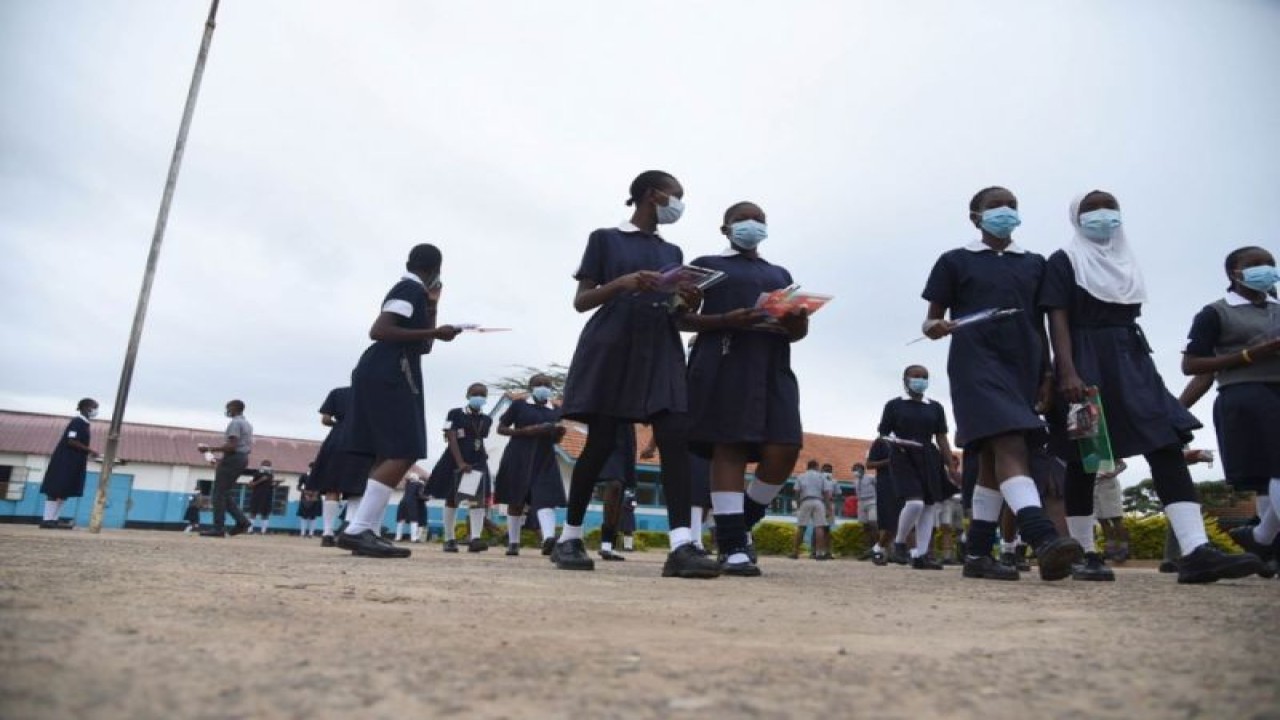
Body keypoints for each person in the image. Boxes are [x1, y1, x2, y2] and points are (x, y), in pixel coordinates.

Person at [1042, 191, 1261, 583]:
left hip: (1132, 360)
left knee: (1165, 443)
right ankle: (1084, 553)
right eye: (1091, 210)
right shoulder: (1064, 260)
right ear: (1076, 218)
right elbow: (1057, 319)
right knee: (1086, 457)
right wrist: (1067, 373)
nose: (1102, 215)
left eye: (1109, 208)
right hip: (1085, 358)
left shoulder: (1126, 260)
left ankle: (1195, 551)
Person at [553, 170, 720, 578]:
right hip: (613, 345)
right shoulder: (605, 239)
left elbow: (678, 316)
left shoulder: (672, 250)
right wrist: (623, 282)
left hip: (660, 348)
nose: (679, 204)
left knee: (674, 439)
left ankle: (681, 546)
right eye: (675, 195)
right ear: (652, 195)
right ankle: (569, 538)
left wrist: (690, 302)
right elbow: (582, 301)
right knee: (600, 443)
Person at [922, 186, 1082, 581]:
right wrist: (935, 327)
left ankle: (977, 553)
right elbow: (930, 320)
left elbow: (1041, 323)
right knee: (1010, 442)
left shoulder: (1035, 263)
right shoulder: (954, 260)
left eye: (1012, 205)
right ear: (975, 217)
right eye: (996, 206)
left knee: (994, 459)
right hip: (975, 363)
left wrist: (1048, 374)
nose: (1005, 210)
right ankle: (1043, 537)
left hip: (1025, 366)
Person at [680, 200, 808, 576]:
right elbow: (679, 317)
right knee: (730, 445)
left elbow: (797, 333)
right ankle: (734, 545)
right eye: (742, 219)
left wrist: (797, 322)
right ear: (725, 229)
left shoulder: (779, 273)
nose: (752, 224)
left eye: (759, 220)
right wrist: (725, 319)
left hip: (773, 365)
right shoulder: (705, 265)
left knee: (786, 447)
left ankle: (736, 524)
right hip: (724, 361)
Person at [337, 243, 461, 558]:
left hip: (389, 372)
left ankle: (366, 529)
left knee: (388, 453)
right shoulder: (408, 289)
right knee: (405, 449)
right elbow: (380, 330)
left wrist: (433, 308)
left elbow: (425, 346)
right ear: (437, 269)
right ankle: (358, 529)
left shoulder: (418, 294)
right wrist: (434, 330)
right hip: (390, 372)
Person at [1182, 245, 1280, 573]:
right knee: (1272, 471)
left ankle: (1262, 541)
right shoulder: (1216, 313)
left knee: (1270, 477)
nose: (1265, 268)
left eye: (1270, 263)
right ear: (1234, 273)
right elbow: (1193, 366)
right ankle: (1263, 540)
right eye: (1255, 264)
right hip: (1246, 394)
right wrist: (1250, 355)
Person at [878, 365, 954, 570]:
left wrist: (950, 465)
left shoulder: (935, 407)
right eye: (916, 376)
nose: (921, 380)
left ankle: (921, 555)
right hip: (902, 455)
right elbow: (883, 433)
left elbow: (941, 437)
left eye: (925, 377)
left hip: (929, 456)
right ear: (905, 379)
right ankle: (900, 543)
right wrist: (896, 445)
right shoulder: (894, 405)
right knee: (915, 503)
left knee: (929, 506)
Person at [495, 374, 567, 557]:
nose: (543, 387)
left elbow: (556, 440)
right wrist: (525, 431)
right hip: (518, 455)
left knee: (546, 498)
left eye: (547, 385)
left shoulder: (556, 410)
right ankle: (513, 542)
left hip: (545, 458)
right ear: (531, 387)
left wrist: (559, 434)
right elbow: (501, 428)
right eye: (538, 384)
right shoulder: (519, 405)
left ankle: (549, 539)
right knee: (515, 499)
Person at [426, 383, 495, 553]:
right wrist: (460, 462)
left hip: (477, 462)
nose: (479, 397)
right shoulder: (455, 413)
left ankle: (475, 539)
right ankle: (449, 539)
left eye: (482, 395)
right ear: (468, 396)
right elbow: (450, 436)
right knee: (452, 499)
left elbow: (479, 439)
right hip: (454, 460)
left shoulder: (487, 420)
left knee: (476, 500)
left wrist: (481, 456)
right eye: (475, 394)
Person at [309, 387, 376, 548]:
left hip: (337, 438)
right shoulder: (373, 394)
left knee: (332, 488)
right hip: (362, 440)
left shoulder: (337, 393)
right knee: (356, 488)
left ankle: (327, 533)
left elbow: (325, 419)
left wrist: (340, 424)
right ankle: (348, 530)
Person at [39, 398, 100, 529]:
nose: (96, 411)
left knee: (64, 491)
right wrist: (90, 450)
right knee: (55, 489)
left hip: (75, 461)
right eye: (94, 407)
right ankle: (47, 519)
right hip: (65, 460)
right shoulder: (77, 422)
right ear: (86, 408)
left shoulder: (85, 424)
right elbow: (71, 441)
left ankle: (54, 519)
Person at [198, 400, 255, 538]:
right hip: (240, 459)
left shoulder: (235, 423)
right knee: (224, 493)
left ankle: (218, 528)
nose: (227, 411)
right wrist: (221, 460)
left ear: (235, 408)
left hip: (233, 458)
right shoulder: (247, 424)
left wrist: (209, 449)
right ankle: (242, 522)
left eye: (228, 408)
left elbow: (232, 446)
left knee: (218, 494)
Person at [596, 424, 638, 561]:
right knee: (615, 485)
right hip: (609, 429)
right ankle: (571, 534)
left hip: (627, 438)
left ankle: (609, 544)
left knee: (619, 491)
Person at [866, 438, 898, 565]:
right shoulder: (880, 442)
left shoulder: (904, 442)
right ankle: (881, 551)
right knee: (888, 520)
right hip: (886, 485)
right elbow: (869, 464)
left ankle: (892, 552)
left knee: (901, 520)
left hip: (903, 484)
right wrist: (889, 461)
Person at [790, 461, 830, 560]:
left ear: (808, 467)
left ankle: (795, 552)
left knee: (801, 527)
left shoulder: (801, 476)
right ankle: (819, 553)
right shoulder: (822, 477)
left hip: (805, 501)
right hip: (818, 501)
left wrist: (798, 505)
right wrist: (827, 507)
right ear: (816, 467)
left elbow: (796, 492)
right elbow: (826, 493)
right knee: (819, 527)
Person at [1093, 460, 1130, 563]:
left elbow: (1123, 465)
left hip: (1109, 484)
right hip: (1095, 486)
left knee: (1116, 518)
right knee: (1102, 520)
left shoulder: (1106, 450)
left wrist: (1113, 473)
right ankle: (1110, 549)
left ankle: (1124, 549)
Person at [852, 463, 878, 560]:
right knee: (865, 527)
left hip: (872, 501)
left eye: (857, 469)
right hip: (861, 503)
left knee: (873, 524)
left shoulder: (871, 478)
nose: (855, 471)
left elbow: (878, 486)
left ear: (863, 470)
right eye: (854, 469)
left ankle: (877, 547)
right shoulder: (855, 481)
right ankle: (868, 549)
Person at [244, 460, 276, 535]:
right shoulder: (257, 473)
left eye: (268, 465)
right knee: (253, 512)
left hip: (267, 496)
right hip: (257, 495)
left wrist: (275, 484)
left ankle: (263, 531)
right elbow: (251, 485)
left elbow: (270, 485)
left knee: (265, 513)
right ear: (261, 465)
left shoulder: (271, 474)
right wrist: (260, 480)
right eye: (265, 465)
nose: (267, 467)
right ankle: (249, 530)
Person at [394, 473, 427, 543]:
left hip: (403, 502)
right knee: (414, 520)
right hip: (412, 503)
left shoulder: (407, 484)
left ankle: (398, 537)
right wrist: (428, 498)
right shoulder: (420, 484)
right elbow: (420, 495)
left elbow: (407, 479)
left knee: (401, 520)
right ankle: (413, 538)